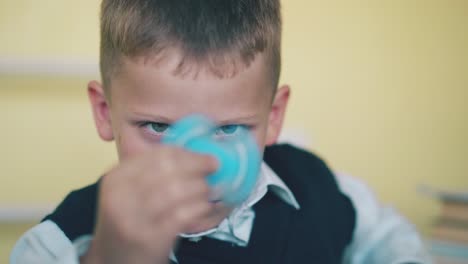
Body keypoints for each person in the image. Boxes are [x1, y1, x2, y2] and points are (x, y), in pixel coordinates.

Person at [10, 1, 431, 263]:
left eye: (230, 128)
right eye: (158, 127)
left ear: (274, 115)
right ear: (105, 112)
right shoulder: (57, 245)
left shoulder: (316, 188)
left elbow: (386, 236)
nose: (200, 165)